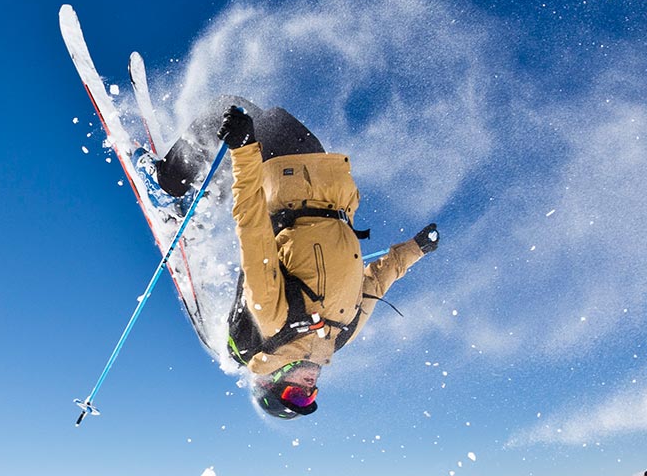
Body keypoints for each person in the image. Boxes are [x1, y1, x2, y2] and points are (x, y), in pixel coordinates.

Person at [146, 100, 439, 420]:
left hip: (287, 176)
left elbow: (253, 231)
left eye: (295, 393)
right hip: (330, 181)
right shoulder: (341, 337)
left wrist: (244, 152)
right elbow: (378, 282)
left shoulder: (274, 322)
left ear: (270, 380)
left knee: (227, 109)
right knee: (254, 116)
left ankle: (166, 182)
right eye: (310, 395)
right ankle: (202, 199)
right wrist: (416, 249)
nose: (310, 388)